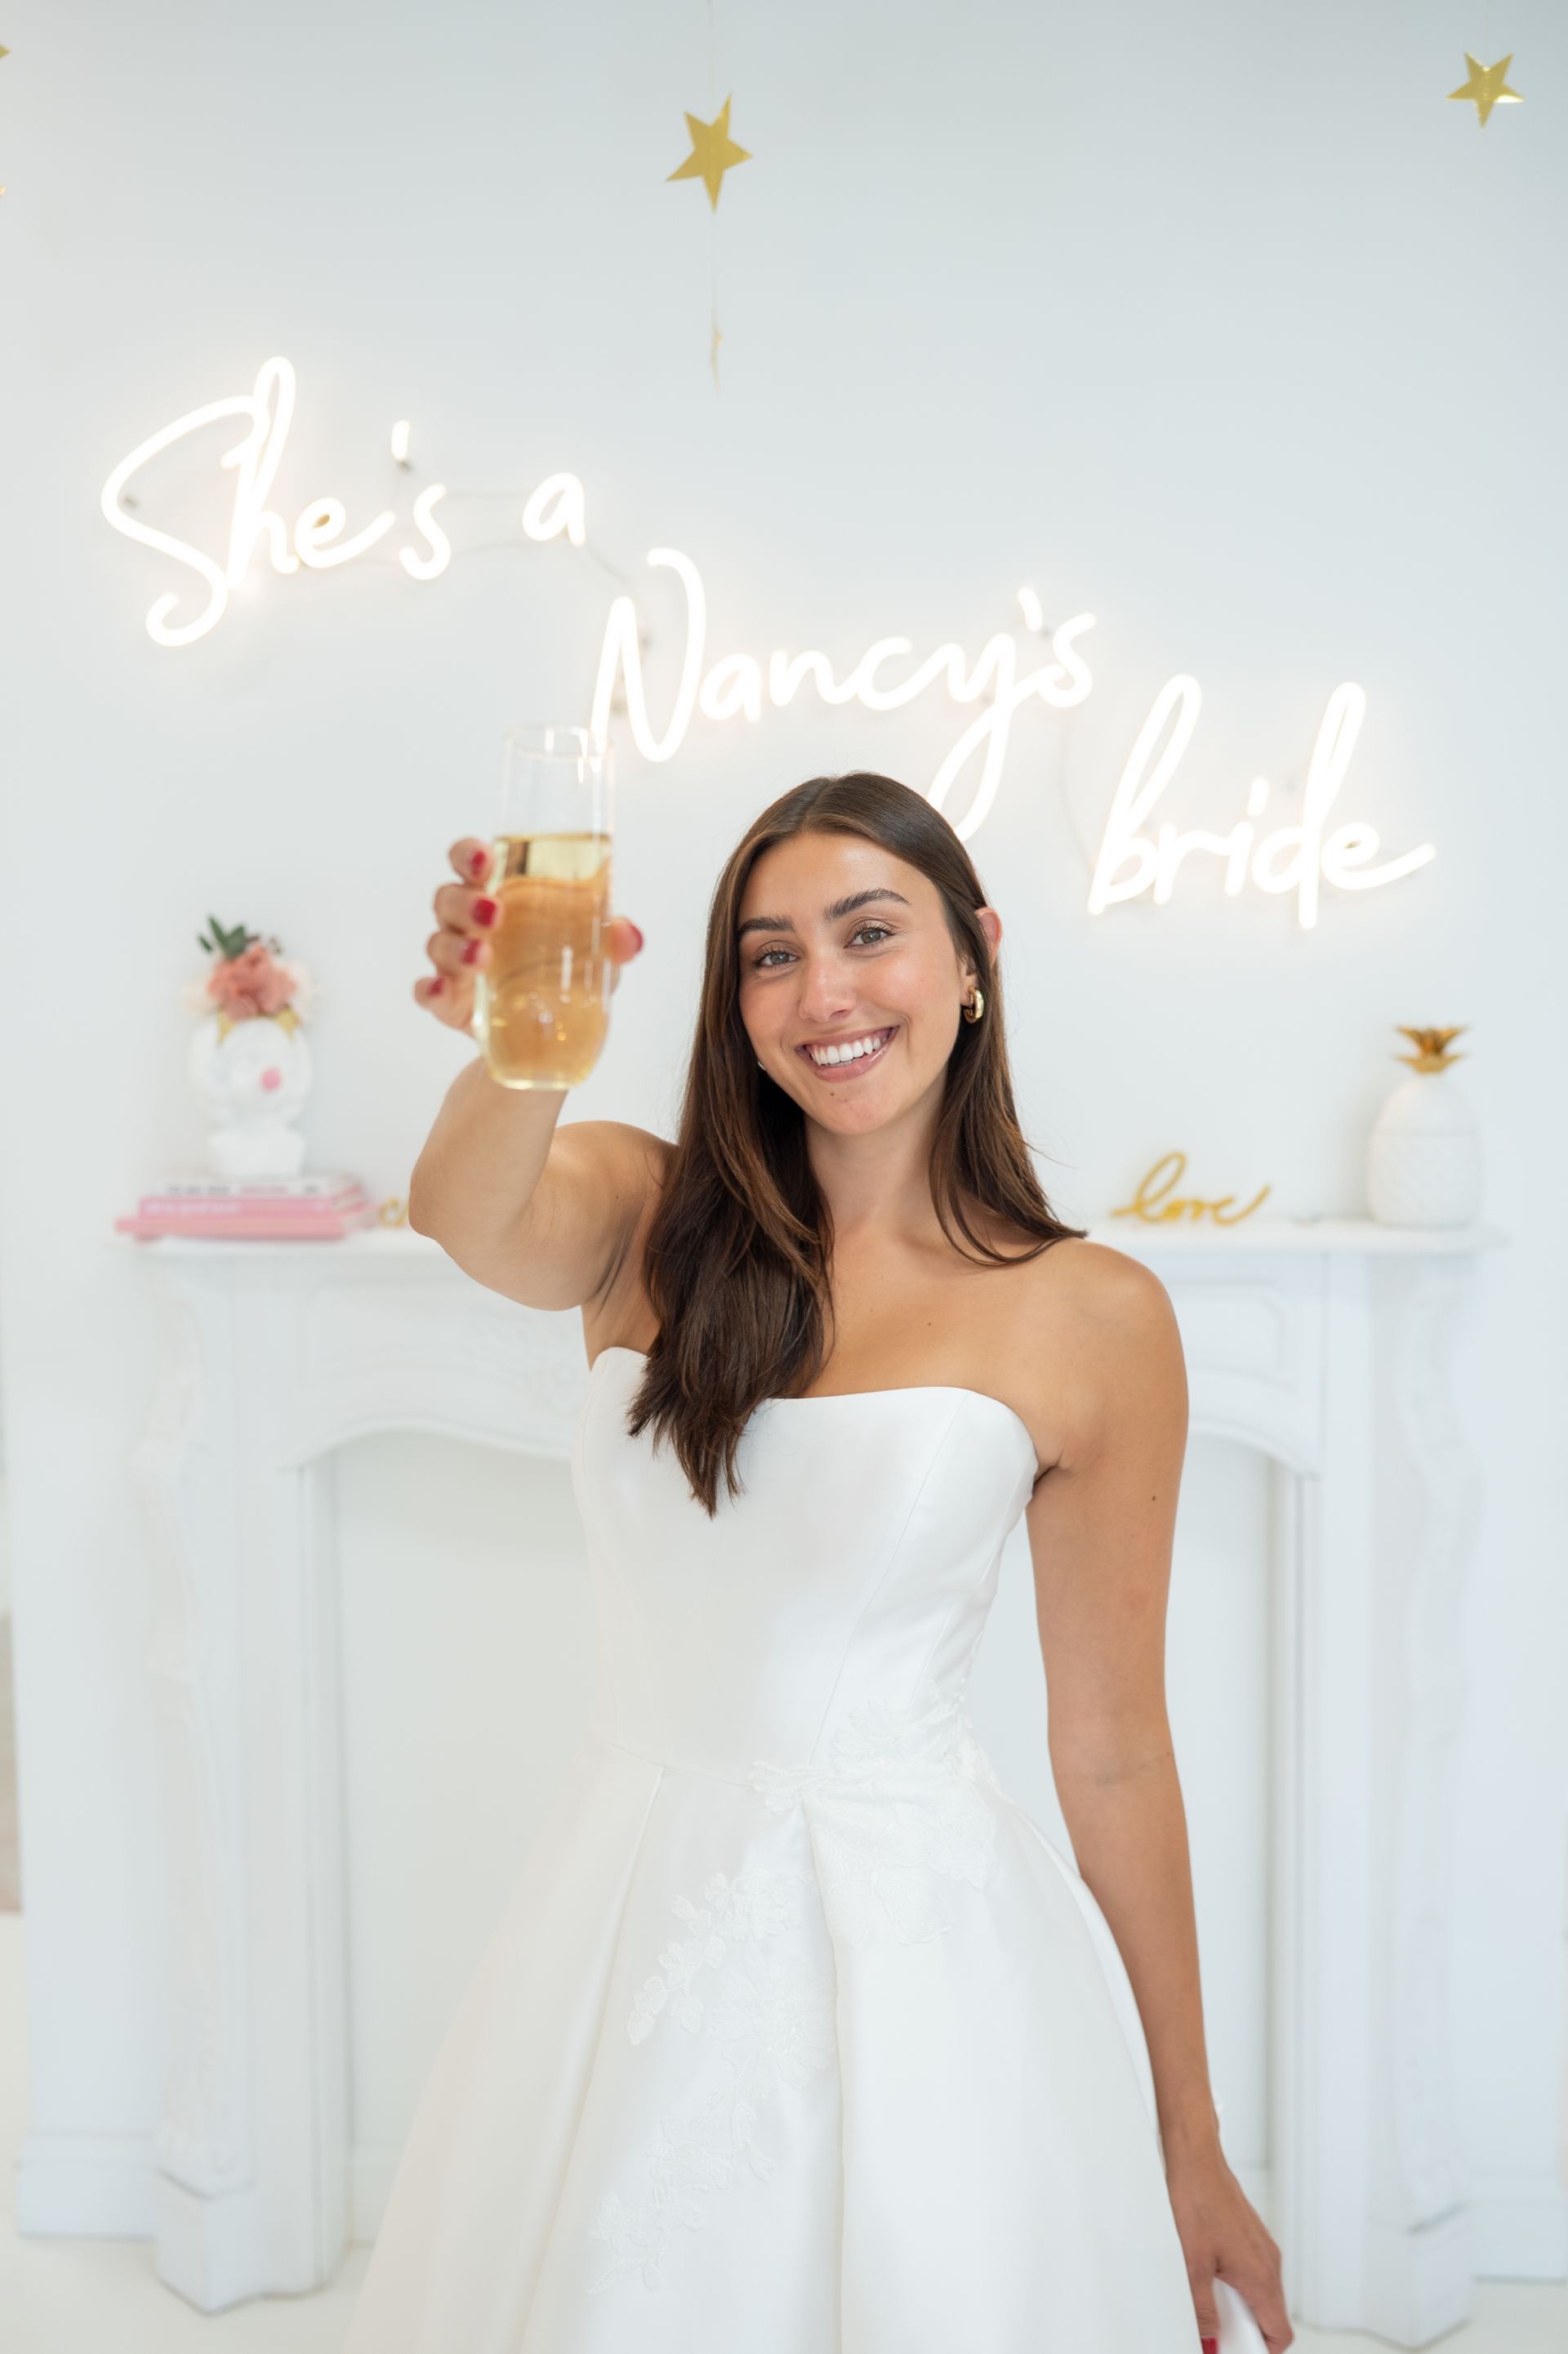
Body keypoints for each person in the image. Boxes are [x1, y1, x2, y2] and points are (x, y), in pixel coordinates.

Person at [343, 770, 1291, 2353]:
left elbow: (1116, 1748)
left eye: (870, 933)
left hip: (926, 1953)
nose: (823, 992)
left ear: (975, 953)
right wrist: (510, 1039)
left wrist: (1188, 2137)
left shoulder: (1092, 1313)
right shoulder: (648, 1215)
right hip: (628, 1911)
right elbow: (464, 1206)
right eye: (771, 954)